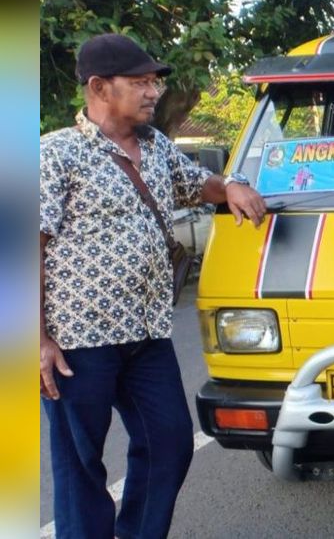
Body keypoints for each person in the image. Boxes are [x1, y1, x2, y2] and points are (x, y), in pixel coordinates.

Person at [40, 33, 268, 538]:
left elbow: (196, 184)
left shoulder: (156, 146)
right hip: (78, 341)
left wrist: (231, 186)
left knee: (169, 442)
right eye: (139, 82)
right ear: (99, 87)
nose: (153, 92)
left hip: (146, 333)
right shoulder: (56, 155)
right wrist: (35, 338)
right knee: (80, 464)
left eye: (153, 83)